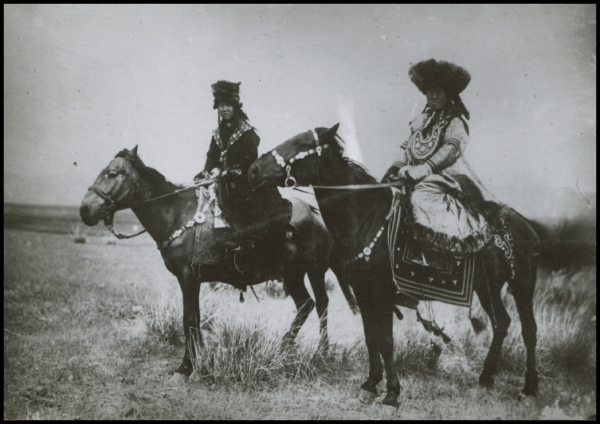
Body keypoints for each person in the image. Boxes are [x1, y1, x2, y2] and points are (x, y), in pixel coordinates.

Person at [382, 59, 494, 256]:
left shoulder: (454, 121)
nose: (433, 96)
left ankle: (437, 251)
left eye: (438, 92)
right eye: (430, 92)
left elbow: (450, 149)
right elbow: (407, 146)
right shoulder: (420, 122)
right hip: (413, 176)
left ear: (447, 95)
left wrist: (424, 169)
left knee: (421, 196)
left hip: (442, 178)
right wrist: (395, 169)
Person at [195, 80, 288, 272]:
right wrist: (205, 173)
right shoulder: (216, 134)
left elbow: (250, 158)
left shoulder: (247, 132)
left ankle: (247, 245)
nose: (225, 109)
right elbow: (212, 157)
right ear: (217, 108)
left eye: (228, 105)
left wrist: (234, 170)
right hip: (224, 184)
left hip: (246, 182)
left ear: (235, 106)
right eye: (221, 105)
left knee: (245, 207)